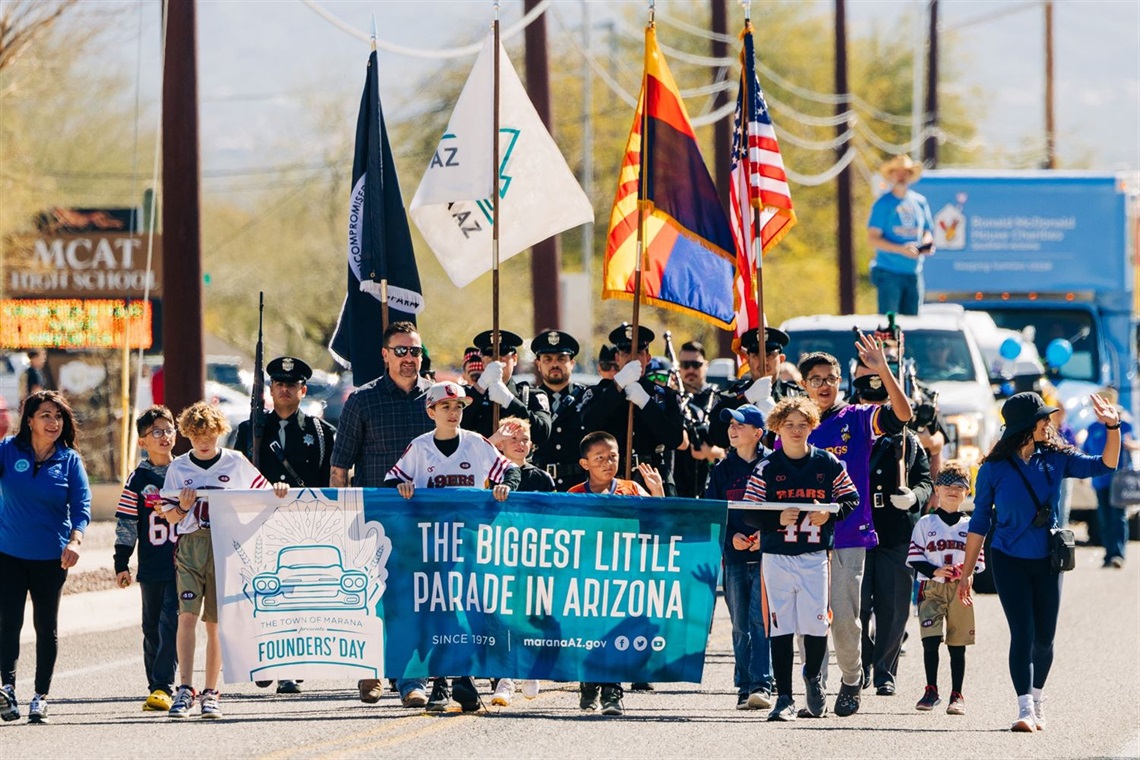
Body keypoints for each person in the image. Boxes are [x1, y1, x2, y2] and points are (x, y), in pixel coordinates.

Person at [958, 391, 1121, 732]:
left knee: (1044, 638)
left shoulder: (1056, 458)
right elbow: (978, 523)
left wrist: (1112, 427)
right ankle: (1024, 708)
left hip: (1048, 559)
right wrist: (966, 572)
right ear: (1026, 426)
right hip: (1006, 558)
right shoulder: (992, 469)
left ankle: (1038, 699)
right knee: (1023, 633)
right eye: (1043, 418)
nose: (1049, 423)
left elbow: (1105, 464)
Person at [794, 337, 913, 717]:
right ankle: (814, 684)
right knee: (808, 620)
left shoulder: (858, 417)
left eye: (830, 378)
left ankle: (851, 679)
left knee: (845, 619)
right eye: (815, 379)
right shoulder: (794, 424)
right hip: (803, 537)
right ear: (803, 385)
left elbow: (903, 414)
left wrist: (884, 371)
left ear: (841, 381)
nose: (824, 385)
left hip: (848, 534)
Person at [385, 381, 520, 713]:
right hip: (431, 545)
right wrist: (402, 486)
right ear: (431, 411)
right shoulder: (419, 447)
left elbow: (511, 470)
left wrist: (503, 485)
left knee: (473, 609)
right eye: (446, 407)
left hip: (470, 543)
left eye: (459, 406)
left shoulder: (476, 443)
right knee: (437, 610)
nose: (453, 412)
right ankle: (439, 681)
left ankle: (466, 676)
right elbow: (392, 480)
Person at [158, 402, 288, 720]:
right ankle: (185, 688)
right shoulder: (179, 468)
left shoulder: (235, 462)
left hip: (225, 544)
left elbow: (265, 494)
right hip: (192, 546)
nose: (204, 441)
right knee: (186, 616)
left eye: (210, 434)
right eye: (197, 434)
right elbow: (169, 515)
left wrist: (279, 489)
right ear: (187, 435)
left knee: (215, 623)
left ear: (220, 433)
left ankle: (211, 690)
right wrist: (183, 508)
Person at [329, 321, 435, 705]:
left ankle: (411, 680)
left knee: (416, 599)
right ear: (385, 355)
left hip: (425, 519)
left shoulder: (436, 399)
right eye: (402, 351)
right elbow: (340, 466)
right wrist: (339, 517)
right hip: (373, 517)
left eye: (416, 351)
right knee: (372, 598)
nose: (410, 358)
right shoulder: (362, 400)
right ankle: (370, 673)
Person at [742, 397, 860, 722]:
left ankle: (813, 678)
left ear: (812, 426)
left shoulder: (827, 464)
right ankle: (784, 697)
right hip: (777, 556)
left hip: (814, 555)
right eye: (789, 425)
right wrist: (777, 519)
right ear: (777, 428)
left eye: (802, 424)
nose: (796, 430)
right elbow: (749, 512)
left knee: (816, 624)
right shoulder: (767, 467)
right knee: (781, 627)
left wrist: (829, 514)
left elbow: (851, 498)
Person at [234, 356, 335, 694]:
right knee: (262, 594)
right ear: (270, 390)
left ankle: (291, 667)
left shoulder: (320, 433)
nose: (285, 390)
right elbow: (236, 475)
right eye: (278, 385)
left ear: (303, 390)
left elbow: (328, 483)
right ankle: (264, 658)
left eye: (291, 385)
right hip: (259, 524)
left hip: (302, 525)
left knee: (298, 597)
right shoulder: (250, 429)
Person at [0, 391, 90, 724]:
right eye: (46, 415)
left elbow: (81, 507)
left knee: (45, 626)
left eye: (58, 416)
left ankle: (40, 696)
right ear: (30, 420)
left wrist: (76, 541)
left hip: (52, 556)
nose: (54, 422)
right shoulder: (8, 451)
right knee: (8, 623)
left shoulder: (69, 460)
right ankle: (7, 691)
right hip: (7, 552)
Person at [851, 357, 932, 697]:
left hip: (895, 529)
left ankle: (886, 671)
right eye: (866, 400)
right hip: (856, 530)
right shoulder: (850, 434)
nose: (872, 406)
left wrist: (913, 497)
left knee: (894, 606)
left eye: (878, 401)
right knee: (857, 606)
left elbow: (926, 481)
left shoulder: (907, 440)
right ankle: (863, 660)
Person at [569, 430, 664, 717]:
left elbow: (659, 521)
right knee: (588, 633)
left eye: (613, 457)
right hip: (586, 577)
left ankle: (613, 691)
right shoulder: (574, 495)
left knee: (616, 632)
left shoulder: (632, 489)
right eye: (599, 458)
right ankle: (588, 683)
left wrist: (657, 491)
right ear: (585, 463)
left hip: (623, 576)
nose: (608, 463)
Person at [113, 406, 180, 712]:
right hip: (151, 565)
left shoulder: (186, 472)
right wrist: (121, 562)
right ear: (142, 441)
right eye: (156, 432)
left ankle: (163, 685)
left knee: (171, 623)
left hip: (183, 564)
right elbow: (127, 522)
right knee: (151, 626)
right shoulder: (138, 480)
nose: (164, 436)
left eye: (168, 430)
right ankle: (155, 683)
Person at [705, 404, 772, 711]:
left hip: (766, 557)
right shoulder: (721, 470)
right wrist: (730, 535)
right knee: (739, 624)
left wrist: (765, 535)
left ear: (758, 433)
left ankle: (762, 683)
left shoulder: (774, 465)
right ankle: (744, 686)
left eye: (740, 424)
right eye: (731, 424)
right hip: (733, 557)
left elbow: (782, 509)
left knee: (761, 621)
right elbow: (713, 513)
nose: (732, 429)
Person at [907, 460, 983, 716]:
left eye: (960, 485)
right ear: (936, 490)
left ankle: (957, 694)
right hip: (932, 588)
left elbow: (978, 560)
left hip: (960, 590)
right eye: (947, 484)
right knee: (930, 640)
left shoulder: (972, 525)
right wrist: (935, 571)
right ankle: (931, 689)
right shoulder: (926, 523)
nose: (953, 489)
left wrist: (967, 573)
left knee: (957, 644)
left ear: (967, 492)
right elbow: (914, 557)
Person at [487, 416, 552, 704]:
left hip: (534, 557)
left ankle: (530, 669)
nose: (520, 444)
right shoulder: (490, 475)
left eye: (525, 439)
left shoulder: (541, 478)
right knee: (502, 616)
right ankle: (505, 676)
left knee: (529, 615)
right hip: (499, 555)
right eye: (513, 439)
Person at [579, 324, 684, 496]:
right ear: (617, 357)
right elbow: (590, 423)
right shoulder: (600, 393)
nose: (631, 358)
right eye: (626, 353)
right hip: (611, 480)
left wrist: (646, 403)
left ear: (648, 358)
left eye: (638, 353)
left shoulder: (665, 396)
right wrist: (617, 386)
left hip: (651, 478)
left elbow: (674, 439)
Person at [709, 328, 801, 451]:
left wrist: (778, 418)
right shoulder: (731, 396)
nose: (763, 361)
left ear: (781, 359)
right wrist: (746, 399)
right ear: (748, 359)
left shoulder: (796, 396)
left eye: (769, 355)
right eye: (756, 355)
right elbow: (718, 438)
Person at [867, 154, 935, 316]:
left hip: (913, 272)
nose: (901, 176)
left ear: (910, 175)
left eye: (905, 172)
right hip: (889, 272)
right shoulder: (883, 204)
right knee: (889, 325)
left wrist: (924, 245)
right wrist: (901, 249)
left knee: (912, 325)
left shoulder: (919, 202)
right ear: (891, 175)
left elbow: (927, 231)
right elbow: (873, 238)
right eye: (897, 172)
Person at [462, 330, 551, 444]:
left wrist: (510, 401)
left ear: (514, 359)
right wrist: (481, 386)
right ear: (483, 360)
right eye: (490, 354)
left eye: (503, 353)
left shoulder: (530, 395)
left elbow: (542, 433)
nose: (496, 359)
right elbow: (456, 425)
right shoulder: (468, 395)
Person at [1082, 387, 1136, 568]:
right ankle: (1108, 554)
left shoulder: (1124, 425)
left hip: (1119, 479)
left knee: (1118, 517)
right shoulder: (1092, 428)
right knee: (1104, 517)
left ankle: (1118, 554)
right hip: (1100, 480)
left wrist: (1130, 444)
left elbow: (1134, 442)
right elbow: (1086, 450)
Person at [529, 330, 590, 491]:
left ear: (572, 363)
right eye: (547, 359)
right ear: (538, 364)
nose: (554, 364)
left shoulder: (587, 398)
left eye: (561, 359)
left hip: (578, 487)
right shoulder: (528, 400)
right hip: (540, 487)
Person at [673, 340, 724, 499]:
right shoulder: (670, 398)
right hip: (677, 485)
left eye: (695, 365)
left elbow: (730, 448)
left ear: (706, 365)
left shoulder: (717, 399)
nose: (690, 370)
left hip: (709, 485)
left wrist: (710, 452)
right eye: (685, 365)